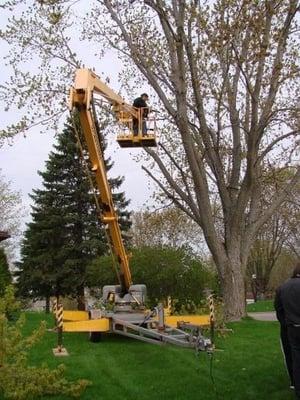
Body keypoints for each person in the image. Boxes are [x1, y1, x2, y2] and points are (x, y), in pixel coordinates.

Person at [274, 263, 300, 399]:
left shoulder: (282, 288)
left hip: (292, 328)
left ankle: (296, 386)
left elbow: (278, 309)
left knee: (295, 357)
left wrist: (286, 323)